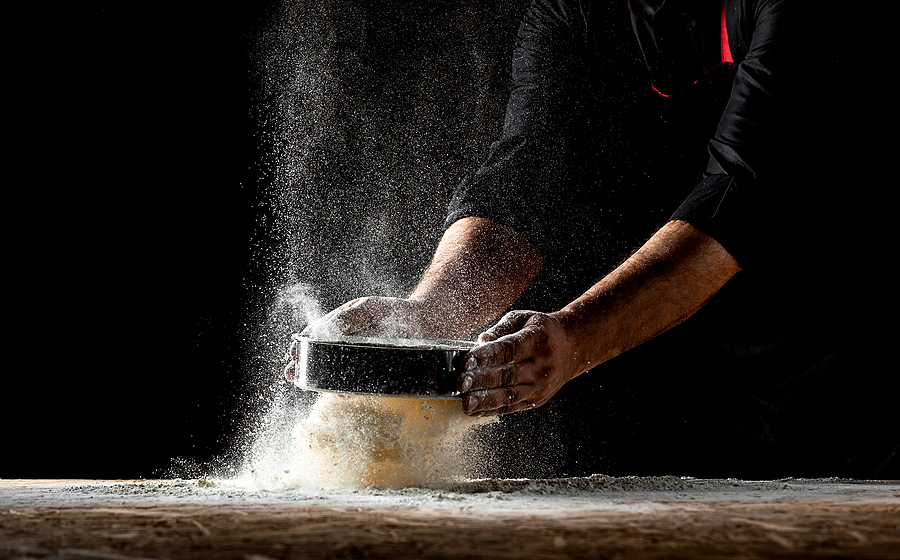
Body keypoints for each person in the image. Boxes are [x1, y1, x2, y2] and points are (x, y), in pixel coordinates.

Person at [288, 0, 894, 478]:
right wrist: (432, 315)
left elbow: (738, 195)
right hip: (693, 398)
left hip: (855, 391)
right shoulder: (572, 10)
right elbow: (528, 173)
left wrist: (573, 340)